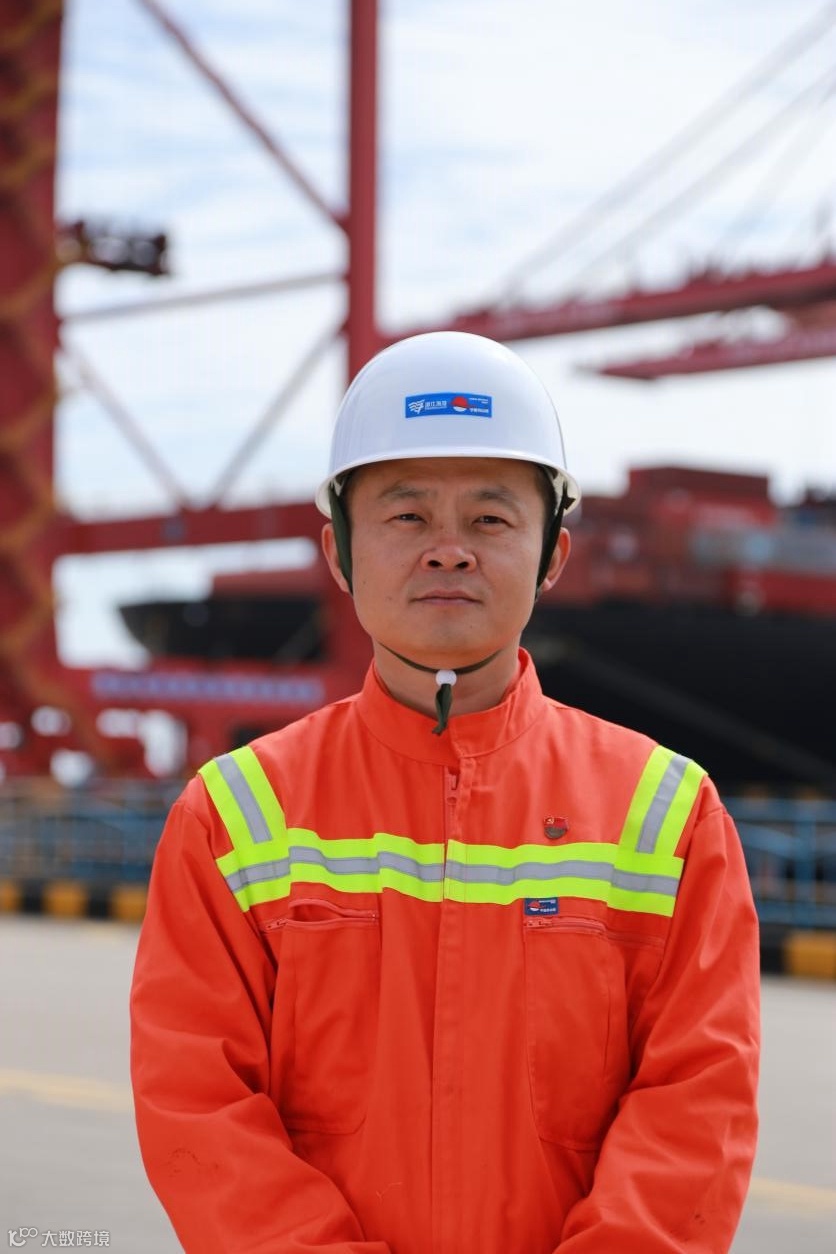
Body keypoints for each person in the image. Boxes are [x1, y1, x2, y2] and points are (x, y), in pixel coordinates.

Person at [130, 330, 760, 1254]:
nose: (450, 552)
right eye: (407, 516)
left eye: (492, 519)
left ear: (552, 555)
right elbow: (196, 1101)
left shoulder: (669, 817)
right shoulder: (231, 817)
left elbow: (697, 1104)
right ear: (340, 553)